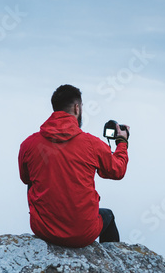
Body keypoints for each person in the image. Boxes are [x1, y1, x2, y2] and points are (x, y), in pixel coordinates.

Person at [18, 84, 130, 248]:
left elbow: (25, 178)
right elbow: (117, 170)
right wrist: (122, 142)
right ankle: (110, 262)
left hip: (44, 230)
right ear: (77, 108)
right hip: (83, 233)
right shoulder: (92, 144)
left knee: (33, 178)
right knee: (108, 216)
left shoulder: (28, 144)